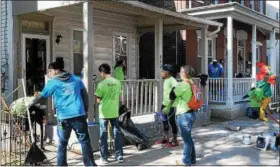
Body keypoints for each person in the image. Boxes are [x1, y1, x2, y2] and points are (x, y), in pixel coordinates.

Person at [34, 58, 96, 166]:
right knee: (85, 141)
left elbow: (43, 95)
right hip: (79, 114)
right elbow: (84, 94)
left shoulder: (53, 82)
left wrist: (32, 99)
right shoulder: (75, 78)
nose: (49, 73)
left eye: (50, 71)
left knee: (62, 144)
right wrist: (86, 109)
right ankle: (90, 165)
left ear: (56, 70)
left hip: (63, 118)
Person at [164, 65, 196, 166]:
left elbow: (172, 95)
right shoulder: (191, 82)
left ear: (186, 73)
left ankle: (185, 161)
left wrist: (174, 88)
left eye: (181, 71)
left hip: (184, 115)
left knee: (186, 140)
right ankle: (192, 158)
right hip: (190, 114)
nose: (179, 73)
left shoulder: (183, 84)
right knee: (189, 138)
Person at [95, 63, 124, 164]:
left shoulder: (101, 84)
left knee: (103, 135)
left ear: (102, 72)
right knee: (117, 133)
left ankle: (104, 157)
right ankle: (119, 155)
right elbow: (119, 97)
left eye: (100, 73)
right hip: (114, 111)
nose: (100, 75)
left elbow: (98, 100)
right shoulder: (117, 82)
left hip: (104, 113)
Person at [156, 64, 178, 147]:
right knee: (164, 120)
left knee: (172, 122)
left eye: (163, 71)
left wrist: (169, 105)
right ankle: (165, 137)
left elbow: (176, 91)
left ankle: (175, 140)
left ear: (167, 72)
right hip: (164, 104)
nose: (161, 73)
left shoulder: (172, 80)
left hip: (170, 105)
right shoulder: (166, 80)